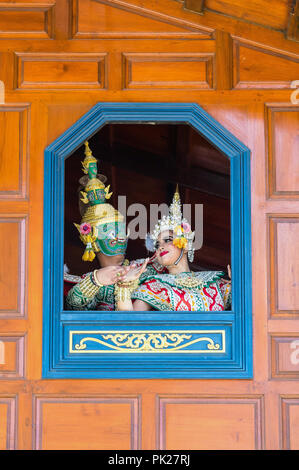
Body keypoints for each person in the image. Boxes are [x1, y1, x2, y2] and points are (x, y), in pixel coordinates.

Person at [113, 187, 231, 312]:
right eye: (157, 245)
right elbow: (130, 323)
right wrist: (125, 285)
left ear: (185, 246)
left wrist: (240, 282)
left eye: (168, 240)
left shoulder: (215, 282)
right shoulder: (154, 286)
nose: (160, 247)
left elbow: (248, 311)